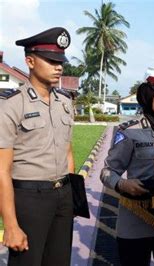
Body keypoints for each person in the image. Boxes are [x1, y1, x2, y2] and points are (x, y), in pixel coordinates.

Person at [0, 27, 75, 266]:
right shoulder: (12, 105)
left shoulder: (64, 102)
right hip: (29, 198)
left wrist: (73, 196)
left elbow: (68, 151)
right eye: (52, 61)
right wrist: (10, 225)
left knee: (59, 261)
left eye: (61, 61)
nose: (59, 67)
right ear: (30, 61)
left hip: (62, 195)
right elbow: (1, 169)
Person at [100, 67, 154, 266]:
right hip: (136, 218)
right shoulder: (128, 131)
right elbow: (108, 171)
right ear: (148, 94)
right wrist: (122, 185)